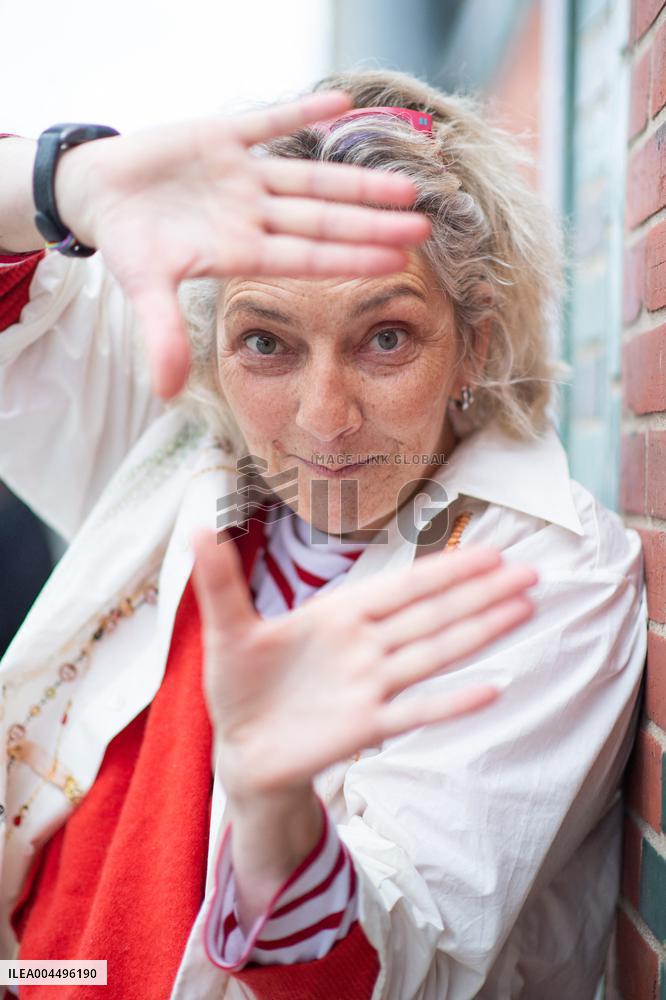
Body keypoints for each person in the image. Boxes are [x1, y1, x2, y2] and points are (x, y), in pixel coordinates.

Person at [0, 69, 646, 1000]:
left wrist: (273, 819)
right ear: (215, 345)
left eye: (386, 337)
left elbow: (408, 972)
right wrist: (65, 182)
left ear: (475, 338)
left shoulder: (540, 576)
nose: (323, 418)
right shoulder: (176, 437)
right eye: (267, 342)